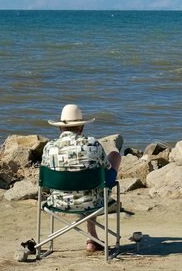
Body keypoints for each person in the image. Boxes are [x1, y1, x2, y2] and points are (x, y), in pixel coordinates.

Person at [42, 104, 122, 253]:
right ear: (82, 127)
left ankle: (92, 238)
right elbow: (107, 169)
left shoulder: (49, 147)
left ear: (60, 128)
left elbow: (44, 181)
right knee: (113, 158)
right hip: (93, 201)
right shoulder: (93, 144)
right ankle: (92, 239)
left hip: (59, 201)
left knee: (88, 184)